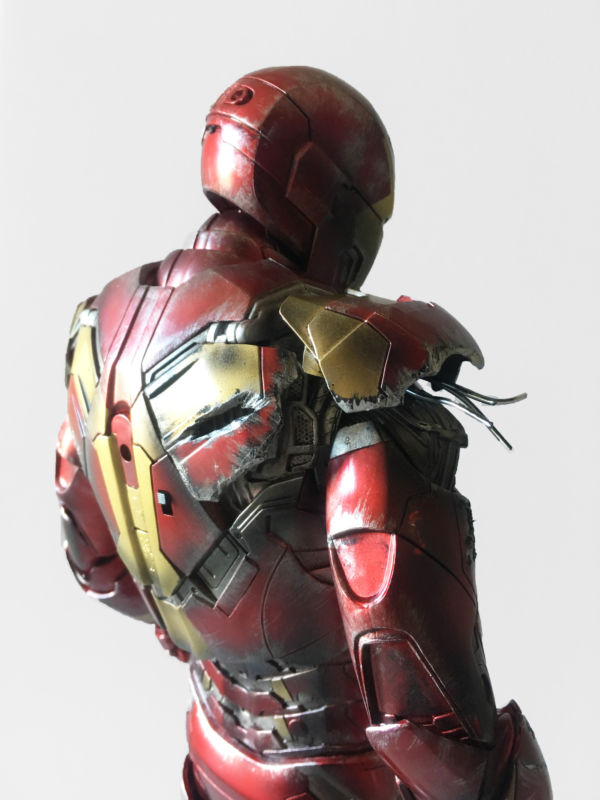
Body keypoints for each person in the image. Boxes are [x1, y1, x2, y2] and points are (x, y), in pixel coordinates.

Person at [55, 66, 552, 800]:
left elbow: (98, 566)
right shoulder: (341, 365)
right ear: (334, 202)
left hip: (215, 748)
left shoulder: (100, 326)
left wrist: (230, 632)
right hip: (343, 776)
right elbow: (429, 728)